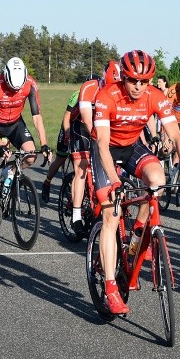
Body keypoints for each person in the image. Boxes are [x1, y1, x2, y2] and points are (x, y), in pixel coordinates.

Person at [92, 50, 180, 315]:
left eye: (144, 81)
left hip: (132, 147)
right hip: (106, 150)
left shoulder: (156, 96)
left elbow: (177, 138)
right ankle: (110, 287)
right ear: (124, 78)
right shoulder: (107, 96)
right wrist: (116, 181)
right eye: (133, 81)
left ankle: (138, 232)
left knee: (157, 181)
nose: (138, 86)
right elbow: (102, 144)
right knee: (111, 213)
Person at [0, 57, 52, 236]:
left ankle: (9, 171)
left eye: (18, 88)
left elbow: (36, 117)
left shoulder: (31, 84)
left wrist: (44, 144)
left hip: (15, 124)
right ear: (5, 76)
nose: (14, 91)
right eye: (11, 87)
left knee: (31, 155)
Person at [65, 60, 121, 233]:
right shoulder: (90, 87)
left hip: (102, 128)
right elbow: (88, 120)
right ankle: (76, 215)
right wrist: (100, 141)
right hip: (81, 126)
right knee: (81, 169)